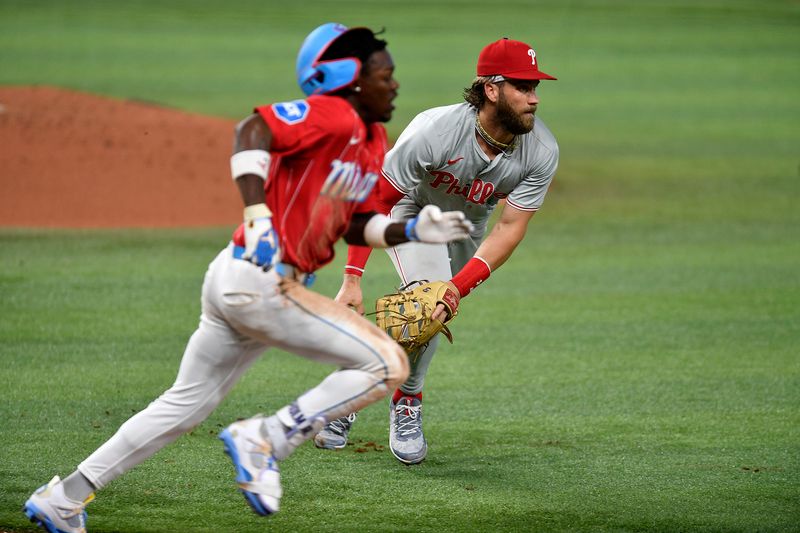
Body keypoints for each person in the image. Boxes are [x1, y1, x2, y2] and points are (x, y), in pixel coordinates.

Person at [22, 22, 474, 531]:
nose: (394, 84)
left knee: (182, 407)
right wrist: (257, 213)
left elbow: (352, 222)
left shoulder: (370, 141)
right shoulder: (331, 113)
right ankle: (266, 438)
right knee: (388, 363)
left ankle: (65, 497)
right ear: (347, 77)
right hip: (262, 282)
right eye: (383, 75)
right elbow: (252, 131)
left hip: (237, 282)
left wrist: (413, 228)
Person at [313, 37, 559, 465]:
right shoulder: (437, 131)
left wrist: (457, 289)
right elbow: (375, 201)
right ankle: (398, 399)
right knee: (423, 300)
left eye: (535, 88)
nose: (533, 98)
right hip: (410, 210)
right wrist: (352, 276)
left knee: (431, 311)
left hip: (464, 229)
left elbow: (509, 227)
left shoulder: (541, 151)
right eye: (522, 87)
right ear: (492, 89)